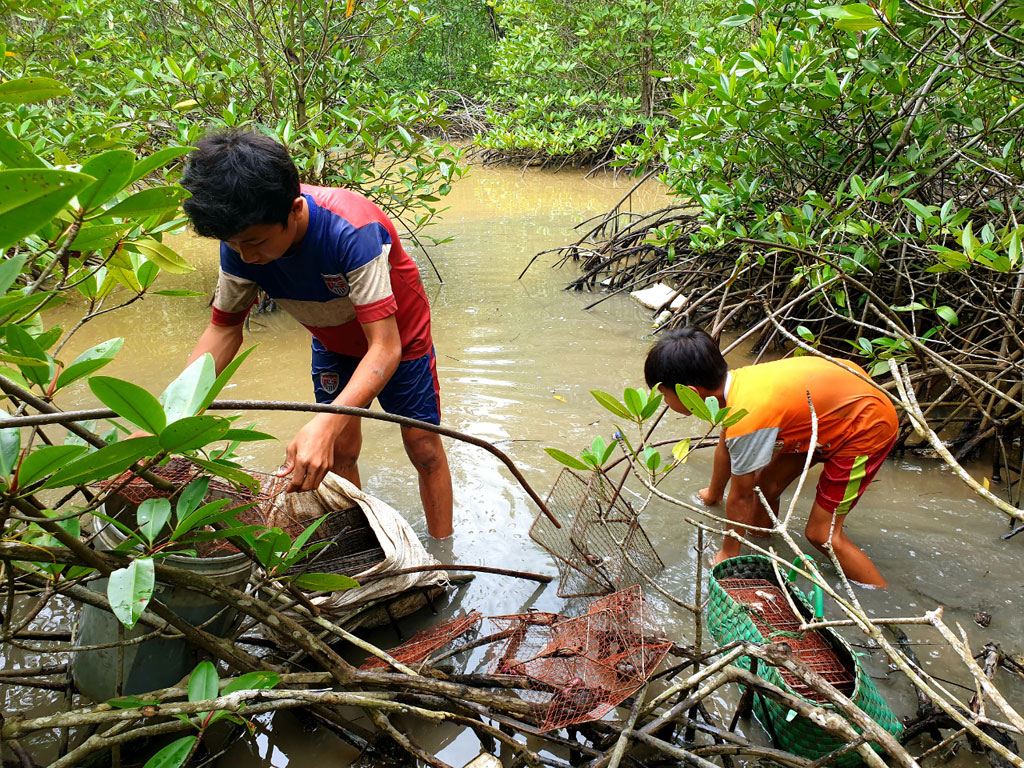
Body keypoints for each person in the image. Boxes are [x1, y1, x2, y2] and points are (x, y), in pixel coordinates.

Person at [179, 130, 453, 539]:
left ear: (294, 209)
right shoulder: (240, 244)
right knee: (339, 449)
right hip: (331, 337)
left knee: (424, 448)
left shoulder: (353, 229)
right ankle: (365, 544)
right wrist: (172, 412)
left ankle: (445, 555)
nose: (246, 257)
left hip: (398, 340)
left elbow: (384, 346)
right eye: (234, 245)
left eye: (254, 242)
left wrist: (323, 423)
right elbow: (223, 330)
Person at [644, 327, 897, 587]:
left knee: (822, 534)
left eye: (664, 395)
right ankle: (764, 543)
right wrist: (713, 494)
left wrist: (728, 553)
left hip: (866, 426)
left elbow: (740, 497)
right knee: (764, 490)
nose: (664, 401)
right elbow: (725, 447)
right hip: (830, 413)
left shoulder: (749, 417)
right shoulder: (735, 387)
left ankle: (879, 593)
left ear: (691, 393)